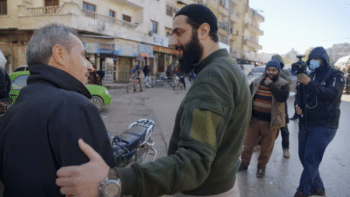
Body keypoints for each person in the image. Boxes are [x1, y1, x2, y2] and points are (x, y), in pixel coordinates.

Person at [56, 4, 251, 197]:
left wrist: (115, 179)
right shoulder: (229, 68)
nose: (172, 42)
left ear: (203, 31)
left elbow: (194, 163)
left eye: (179, 32)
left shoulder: (213, 77)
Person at [0, 24, 118, 196]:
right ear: (59, 54)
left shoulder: (12, 112)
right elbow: (101, 186)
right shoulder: (75, 106)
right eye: (83, 56)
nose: (91, 67)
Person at [293, 47, 344, 197]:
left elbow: (332, 95)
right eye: (312, 61)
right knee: (304, 158)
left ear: (325, 60)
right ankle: (318, 189)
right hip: (306, 122)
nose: (314, 63)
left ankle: (302, 192)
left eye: (317, 60)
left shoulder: (336, 75)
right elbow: (301, 96)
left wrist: (310, 84)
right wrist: (298, 106)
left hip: (325, 125)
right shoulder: (311, 75)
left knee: (310, 159)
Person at [238, 59, 290, 178]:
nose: (271, 72)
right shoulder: (256, 81)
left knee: (266, 147)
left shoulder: (283, 84)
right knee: (248, 145)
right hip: (254, 120)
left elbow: (282, 98)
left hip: (271, 122)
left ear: (278, 71)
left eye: (274, 70)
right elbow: (247, 97)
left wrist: (271, 85)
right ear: (266, 70)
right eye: (268, 69)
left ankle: (261, 167)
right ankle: (244, 164)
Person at [272, 54, 292, 158]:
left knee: (284, 128)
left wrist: (278, 73)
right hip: (270, 103)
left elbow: (289, 81)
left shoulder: (284, 73)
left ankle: (286, 149)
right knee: (266, 126)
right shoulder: (268, 72)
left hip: (282, 104)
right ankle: (260, 144)